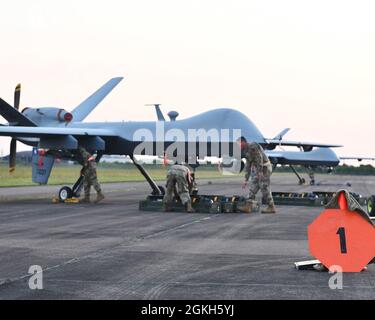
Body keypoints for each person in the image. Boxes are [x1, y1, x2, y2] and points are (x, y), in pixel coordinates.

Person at [237, 137, 276, 214]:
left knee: (264, 187)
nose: (238, 146)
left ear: (243, 142)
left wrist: (260, 171)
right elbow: (248, 164)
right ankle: (248, 206)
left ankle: (271, 206)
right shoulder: (245, 151)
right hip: (258, 169)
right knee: (253, 186)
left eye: (238, 143)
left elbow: (259, 158)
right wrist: (246, 179)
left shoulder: (253, 146)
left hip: (264, 167)